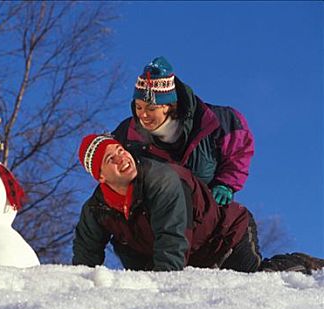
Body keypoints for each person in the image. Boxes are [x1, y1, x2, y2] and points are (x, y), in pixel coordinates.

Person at [72, 134, 323, 274]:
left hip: (226, 238)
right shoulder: (97, 210)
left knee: (257, 284)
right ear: (101, 176)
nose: (121, 157)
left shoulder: (162, 180)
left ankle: (305, 264)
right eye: (110, 158)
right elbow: (85, 259)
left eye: (119, 150)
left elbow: (172, 243)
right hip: (192, 260)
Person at [112, 56, 254, 205]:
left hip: (204, 214)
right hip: (157, 216)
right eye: (138, 107)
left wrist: (226, 183)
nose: (143, 115)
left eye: (151, 108)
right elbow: (103, 155)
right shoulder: (128, 133)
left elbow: (239, 150)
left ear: (170, 106)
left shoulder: (214, 121)